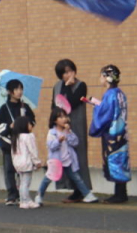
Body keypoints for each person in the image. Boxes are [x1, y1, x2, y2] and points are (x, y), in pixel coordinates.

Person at [36, 107, 98, 205]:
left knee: (77, 178)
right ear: (55, 120)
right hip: (56, 162)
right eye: (60, 117)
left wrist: (68, 133)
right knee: (47, 179)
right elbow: (51, 146)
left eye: (65, 116)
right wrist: (58, 141)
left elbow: (75, 142)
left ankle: (87, 195)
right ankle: (39, 196)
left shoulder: (67, 131)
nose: (63, 119)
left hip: (68, 161)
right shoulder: (52, 132)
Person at [88, 64, 130, 203]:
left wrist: (96, 107)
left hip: (112, 133)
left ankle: (119, 195)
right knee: (121, 160)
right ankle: (122, 193)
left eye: (101, 75)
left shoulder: (110, 94)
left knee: (114, 161)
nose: (100, 78)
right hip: (121, 133)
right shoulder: (120, 93)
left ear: (107, 78)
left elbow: (104, 114)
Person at [53, 59, 92, 200]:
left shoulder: (81, 85)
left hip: (76, 126)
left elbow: (71, 104)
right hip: (60, 127)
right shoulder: (57, 86)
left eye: (70, 71)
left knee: (78, 157)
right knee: (64, 157)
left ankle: (81, 190)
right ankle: (72, 188)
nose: (67, 75)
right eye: (64, 73)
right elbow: (56, 107)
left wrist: (69, 86)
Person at [0, 78, 36, 206]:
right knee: (9, 170)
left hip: (23, 144)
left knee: (23, 169)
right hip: (8, 143)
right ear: (9, 92)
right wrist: (9, 126)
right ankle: (12, 195)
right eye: (17, 89)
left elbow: (32, 122)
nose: (20, 91)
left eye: (21, 89)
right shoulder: (3, 109)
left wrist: (25, 125)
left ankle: (23, 195)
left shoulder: (25, 107)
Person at [9, 115, 41, 209]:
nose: (31, 125)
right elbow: (33, 150)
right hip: (26, 163)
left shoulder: (16, 137)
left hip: (18, 164)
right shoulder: (29, 136)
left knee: (22, 183)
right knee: (25, 183)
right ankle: (26, 201)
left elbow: (13, 153)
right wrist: (37, 162)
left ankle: (24, 201)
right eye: (29, 124)